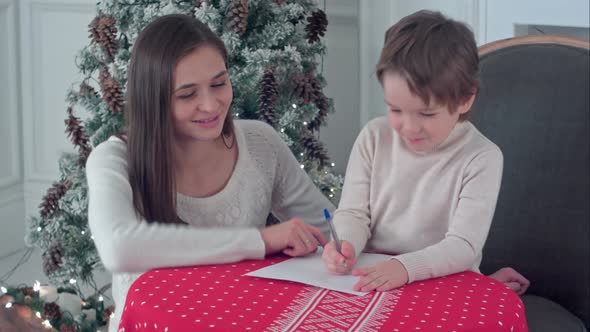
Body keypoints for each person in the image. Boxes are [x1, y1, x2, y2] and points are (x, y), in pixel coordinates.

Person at [86, 14, 333, 331]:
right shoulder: (114, 159)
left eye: (219, 83)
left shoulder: (260, 143)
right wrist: (259, 240)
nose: (211, 104)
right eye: (188, 94)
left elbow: (327, 225)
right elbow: (119, 248)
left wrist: (350, 239)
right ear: (153, 100)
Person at [322, 10, 530, 295]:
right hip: (372, 278)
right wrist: (345, 243)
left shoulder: (482, 157)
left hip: (441, 283)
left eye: (426, 113)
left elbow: (463, 246)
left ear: (465, 99)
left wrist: (404, 269)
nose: (409, 127)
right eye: (395, 109)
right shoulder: (373, 136)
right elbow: (354, 214)